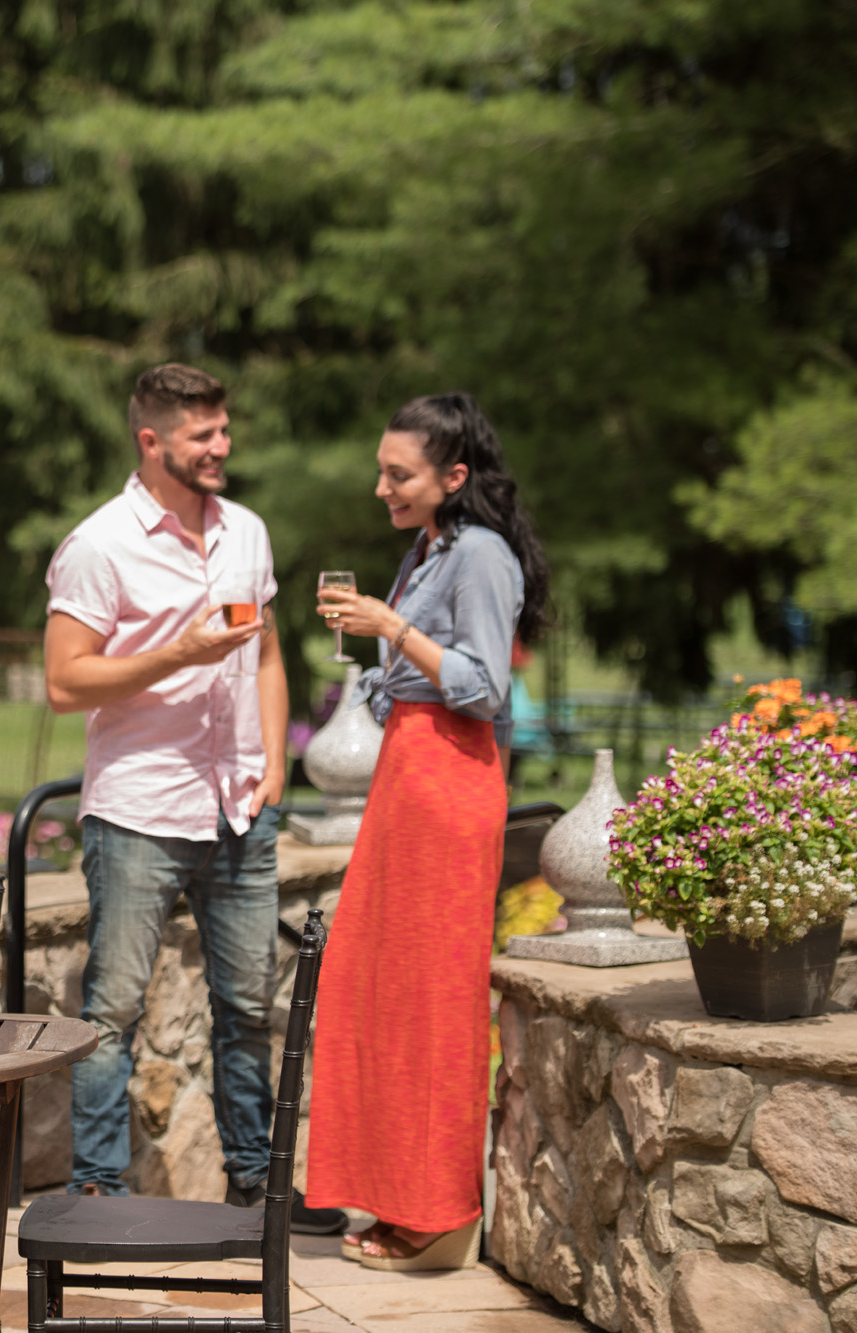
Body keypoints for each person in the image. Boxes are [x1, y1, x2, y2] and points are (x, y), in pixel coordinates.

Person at [44, 363, 347, 1234]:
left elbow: (269, 654)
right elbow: (65, 682)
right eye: (203, 434)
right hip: (140, 810)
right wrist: (176, 655)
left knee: (249, 1004)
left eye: (224, 428)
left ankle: (258, 1183)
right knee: (113, 1008)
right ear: (152, 440)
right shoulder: (100, 544)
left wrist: (277, 762)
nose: (223, 446)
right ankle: (98, 1188)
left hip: (240, 806)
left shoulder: (245, 531)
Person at [305, 391, 548, 1271]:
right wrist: (380, 665)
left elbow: (486, 689)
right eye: (380, 469)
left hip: (450, 780)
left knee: (431, 996)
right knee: (376, 986)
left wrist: (391, 628)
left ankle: (438, 1207)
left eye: (396, 473)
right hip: (411, 771)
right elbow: (414, 678)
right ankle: (396, 1189)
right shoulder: (429, 547)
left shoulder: (479, 556)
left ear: (453, 475)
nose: (381, 486)